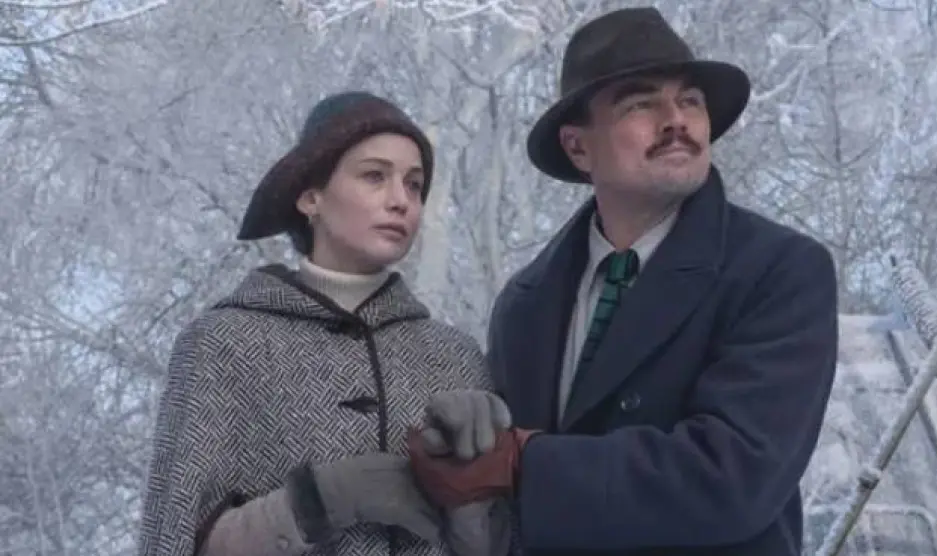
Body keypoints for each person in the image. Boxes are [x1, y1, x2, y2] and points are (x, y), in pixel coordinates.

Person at [405, 7, 839, 556]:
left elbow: (731, 478)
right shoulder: (523, 305)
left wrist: (523, 461)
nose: (675, 119)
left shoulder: (779, 271)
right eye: (640, 104)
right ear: (578, 147)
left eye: (690, 100)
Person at [135, 91, 510, 556]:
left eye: (414, 185)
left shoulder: (454, 357)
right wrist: (317, 501)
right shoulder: (223, 344)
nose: (401, 200)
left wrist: (471, 488)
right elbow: (170, 541)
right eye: (374, 176)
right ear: (311, 197)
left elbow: (497, 547)